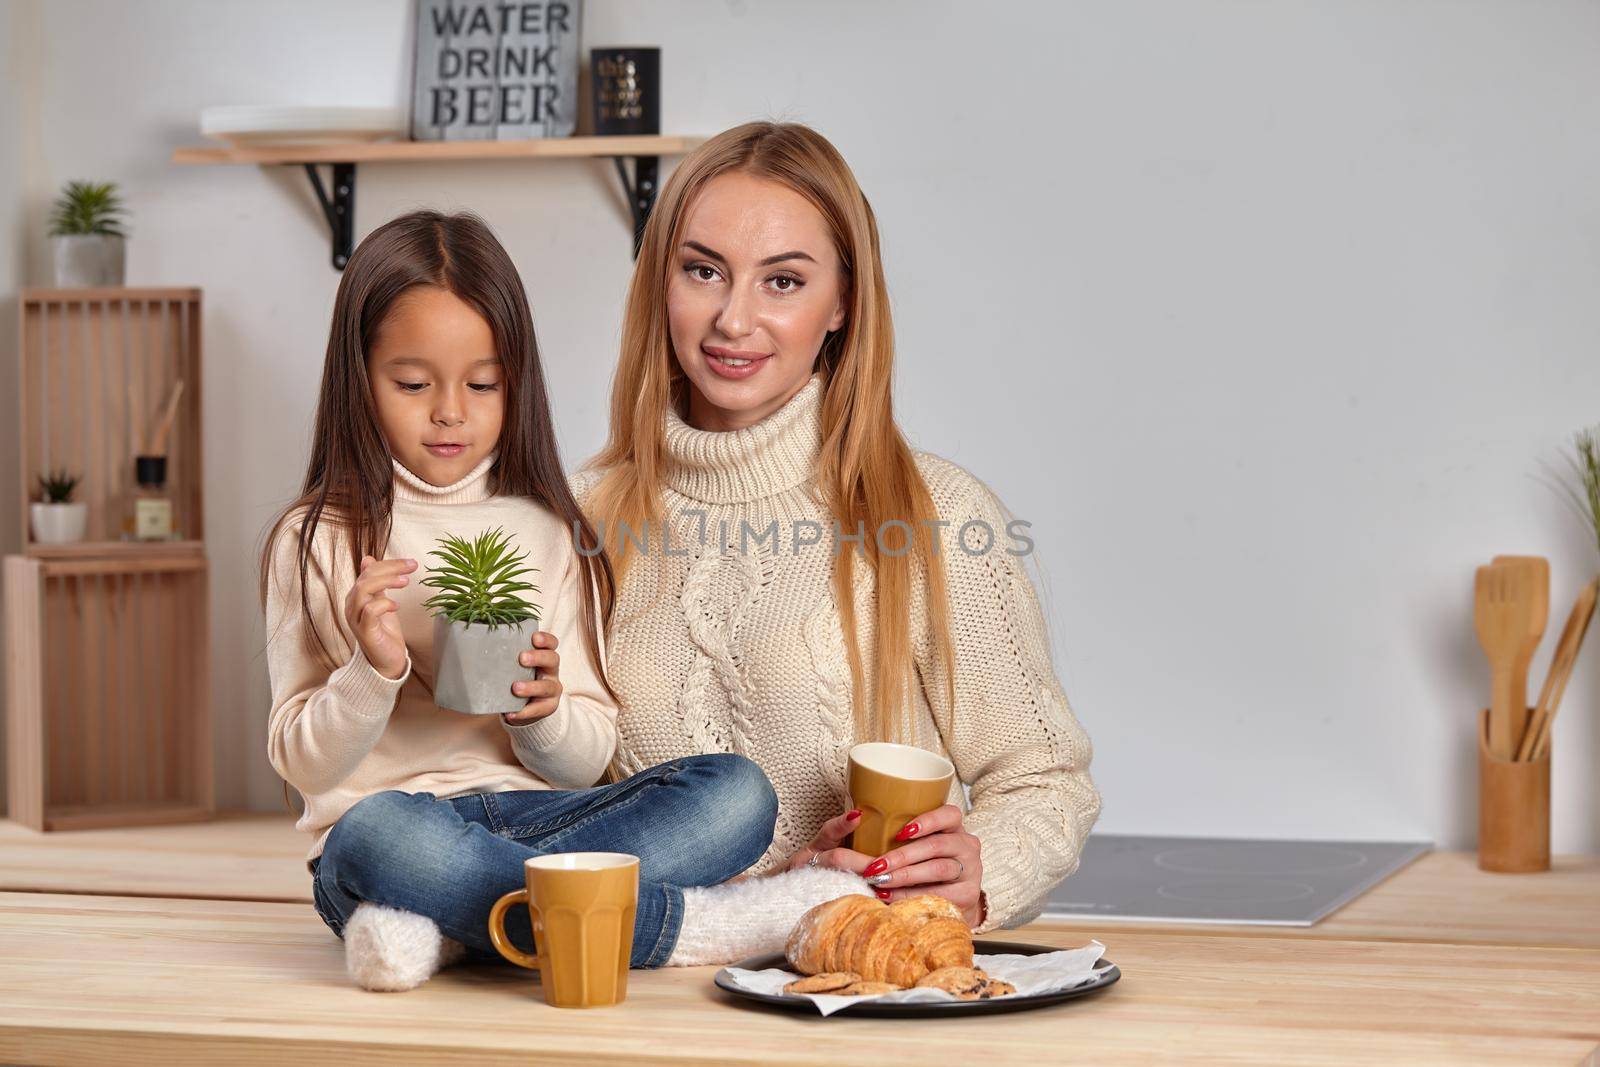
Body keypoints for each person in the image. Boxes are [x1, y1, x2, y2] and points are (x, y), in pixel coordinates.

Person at [260, 209, 869, 992]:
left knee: (736, 793)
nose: (451, 410)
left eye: (483, 384)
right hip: (391, 826)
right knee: (377, 837)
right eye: (412, 383)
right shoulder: (316, 539)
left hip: (542, 816)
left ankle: (448, 923)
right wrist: (370, 670)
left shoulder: (550, 532)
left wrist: (540, 713)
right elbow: (299, 759)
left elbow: (586, 755)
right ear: (359, 377)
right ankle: (689, 926)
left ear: (517, 381)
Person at [572, 122, 1102, 932]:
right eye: (703, 270)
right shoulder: (578, 521)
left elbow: (1044, 777)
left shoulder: (936, 516)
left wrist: (978, 870)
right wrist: (772, 892)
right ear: (659, 283)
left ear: (842, 303)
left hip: (858, 1005)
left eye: (783, 282)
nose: (733, 320)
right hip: (642, 1001)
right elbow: (541, 816)